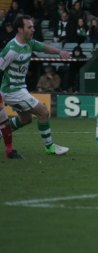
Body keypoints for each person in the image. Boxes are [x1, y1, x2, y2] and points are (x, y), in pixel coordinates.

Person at [0, 15, 70, 155]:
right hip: (12, 91)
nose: (33, 29)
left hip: (19, 89)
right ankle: (50, 147)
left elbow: (43, 47)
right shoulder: (11, 49)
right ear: (20, 29)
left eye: (33, 26)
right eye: (29, 27)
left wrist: (59, 52)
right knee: (43, 112)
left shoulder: (29, 43)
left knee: (25, 119)